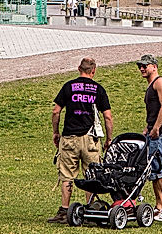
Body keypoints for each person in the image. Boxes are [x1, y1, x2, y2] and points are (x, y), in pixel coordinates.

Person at [48, 57, 113, 223]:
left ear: (79, 69)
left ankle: (64, 211)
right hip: (91, 138)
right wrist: (109, 139)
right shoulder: (98, 89)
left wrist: (56, 132)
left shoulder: (69, 86)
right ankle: (90, 210)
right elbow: (108, 116)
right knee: (91, 174)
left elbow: (56, 111)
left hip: (70, 137)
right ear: (93, 71)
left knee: (67, 174)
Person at [137, 54, 162, 222]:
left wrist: (156, 128)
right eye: (140, 66)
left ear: (154, 66)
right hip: (153, 132)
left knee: (159, 169)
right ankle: (159, 206)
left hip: (161, 133)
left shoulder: (160, 83)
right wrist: (149, 127)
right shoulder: (151, 84)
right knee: (152, 170)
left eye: (145, 66)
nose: (141, 68)